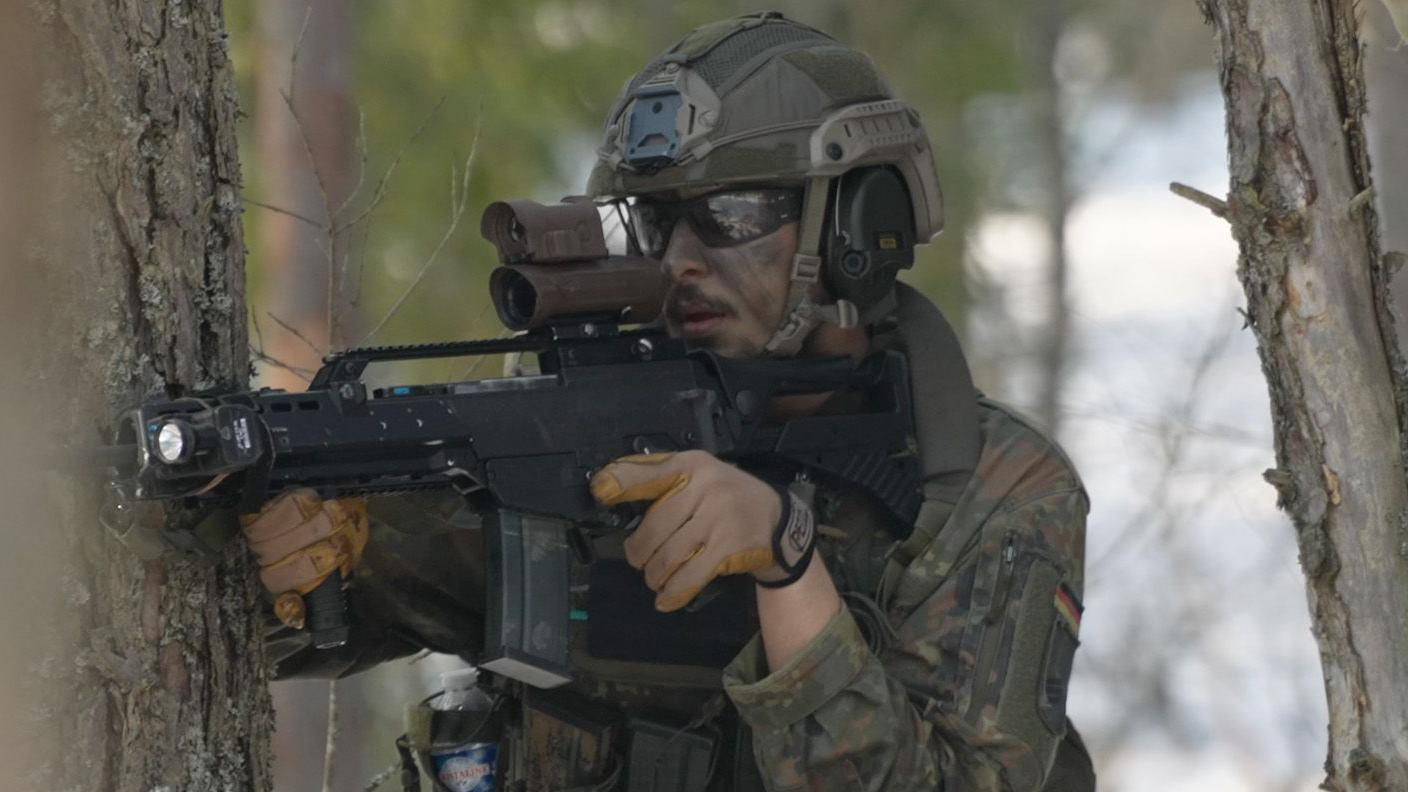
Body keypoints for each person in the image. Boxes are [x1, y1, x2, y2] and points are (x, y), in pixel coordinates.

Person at [242, 12, 1094, 791]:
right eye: (654, 223)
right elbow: (297, 618)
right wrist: (300, 559)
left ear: (855, 227)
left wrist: (786, 562)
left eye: (730, 213)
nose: (679, 259)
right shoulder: (580, 427)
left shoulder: (984, 489)